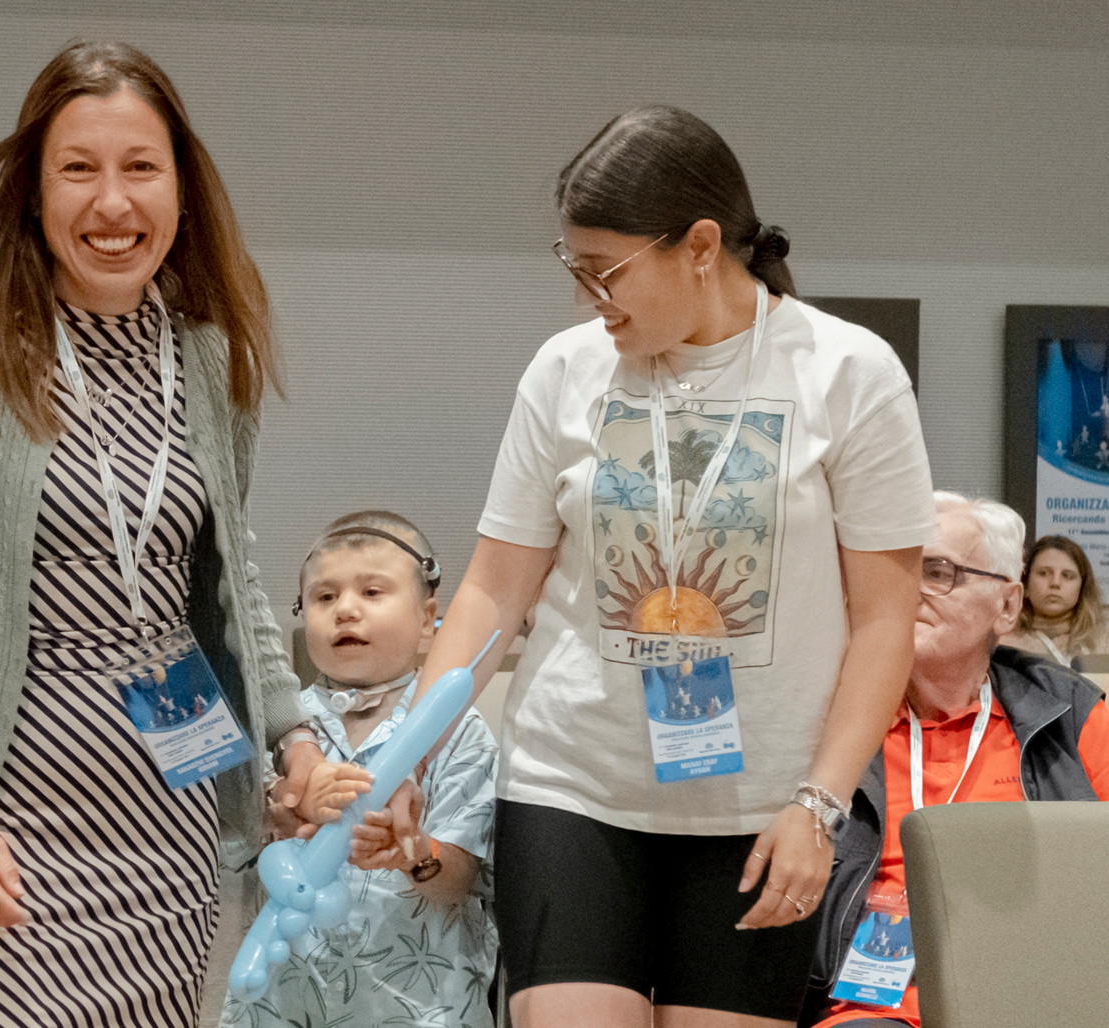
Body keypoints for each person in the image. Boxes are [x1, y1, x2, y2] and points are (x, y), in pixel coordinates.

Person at [0, 40, 344, 1028]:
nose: (113, 202)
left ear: (182, 191)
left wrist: (294, 739)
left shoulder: (211, 361)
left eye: (141, 167)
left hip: (169, 827)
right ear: (33, 194)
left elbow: (231, 581)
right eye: (78, 169)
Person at [394, 105, 935, 1028]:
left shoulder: (850, 372)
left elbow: (886, 619)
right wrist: (408, 752)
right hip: (572, 784)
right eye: (574, 268)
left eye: (605, 271)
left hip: (764, 809)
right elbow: (493, 588)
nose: (589, 299)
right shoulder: (565, 371)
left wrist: (820, 804)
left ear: (701, 246)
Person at [800, 493, 1109, 1027]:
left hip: (1037, 998)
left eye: (939, 571)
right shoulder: (829, 716)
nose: (910, 589)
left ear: (1007, 606)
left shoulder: (1069, 716)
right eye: (899, 570)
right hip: (870, 1008)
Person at [219, 511, 499, 1028]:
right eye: (324, 597)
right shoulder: (280, 728)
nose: (345, 610)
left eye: (372, 592)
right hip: (282, 1003)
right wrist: (279, 809)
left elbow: (459, 879)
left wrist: (413, 849)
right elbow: (233, 842)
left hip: (419, 1007)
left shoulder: (457, 729)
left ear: (427, 617)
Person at [1002, 534, 1107, 665]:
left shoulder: (1104, 639)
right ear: (1025, 585)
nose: (1055, 583)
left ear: (1082, 588)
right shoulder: (1001, 641)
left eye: (1067, 575)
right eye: (1044, 573)